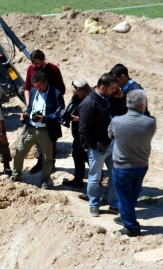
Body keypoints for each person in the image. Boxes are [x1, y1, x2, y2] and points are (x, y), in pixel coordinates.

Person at [108, 90, 156, 237]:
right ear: (142, 105)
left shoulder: (117, 121)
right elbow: (144, 117)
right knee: (132, 195)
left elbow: (110, 134)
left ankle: (131, 227)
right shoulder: (151, 122)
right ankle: (126, 217)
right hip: (141, 165)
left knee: (123, 197)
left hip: (122, 167)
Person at [78, 73, 127, 217]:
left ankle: (113, 203)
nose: (115, 90)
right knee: (95, 177)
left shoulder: (110, 98)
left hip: (113, 144)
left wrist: (120, 99)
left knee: (115, 176)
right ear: (102, 87)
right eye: (112, 88)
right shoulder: (88, 103)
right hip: (98, 148)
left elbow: (121, 114)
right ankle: (94, 204)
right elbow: (83, 130)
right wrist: (96, 146)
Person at [10, 71, 64, 189]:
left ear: (46, 82)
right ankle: (16, 175)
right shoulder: (34, 91)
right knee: (19, 152)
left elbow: (59, 114)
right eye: (35, 86)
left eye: (40, 86)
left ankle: (45, 180)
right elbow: (30, 107)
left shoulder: (56, 93)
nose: (38, 88)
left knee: (47, 158)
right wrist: (25, 115)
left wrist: (44, 119)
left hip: (46, 130)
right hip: (31, 128)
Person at [24, 50, 66, 174]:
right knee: (38, 136)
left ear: (43, 60)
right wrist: (29, 105)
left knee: (51, 136)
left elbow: (61, 89)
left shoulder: (54, 69)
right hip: (35, 105)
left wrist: (50, 102)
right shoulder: (30, 69)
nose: (34, 66)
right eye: (33, 63)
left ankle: (51, 163)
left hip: (50, 107)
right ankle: (40, 162)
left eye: (37, 63)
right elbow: (27, 87)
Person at [60, 79, 92, 189]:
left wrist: (77, 119)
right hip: (78, 135)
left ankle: (96, 182)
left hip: (89, 137)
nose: (75, 97)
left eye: (77, 94)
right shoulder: (78, 98)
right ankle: (78, 180)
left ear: (83, 92)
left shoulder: (93, 99)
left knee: (90, 160)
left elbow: (95, 118)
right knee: (77, 156)